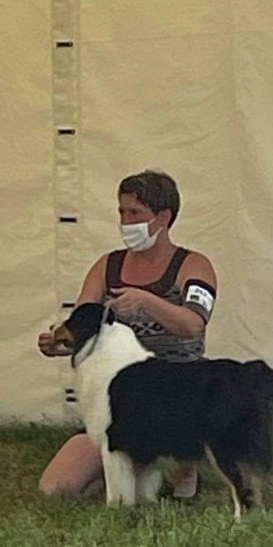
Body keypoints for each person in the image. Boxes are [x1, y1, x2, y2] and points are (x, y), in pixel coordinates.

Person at [37, 170, 218, 500]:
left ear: (163, 217)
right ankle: (133, 474)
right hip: (117, 399)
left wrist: (148, 301)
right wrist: (58, 343)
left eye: (135, 213)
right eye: (122, 212)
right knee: (56, 489)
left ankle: (174, 468)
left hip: (174, 393)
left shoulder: (194, 266)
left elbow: (194, 323)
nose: (125, 221)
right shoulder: (106, 267)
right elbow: (83, 327)